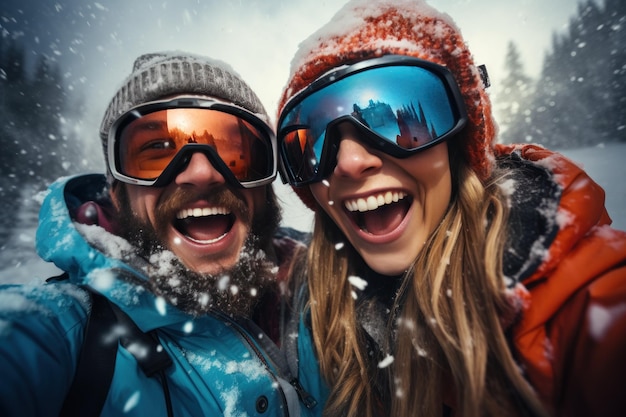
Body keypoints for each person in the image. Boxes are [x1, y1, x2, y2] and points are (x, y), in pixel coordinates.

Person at [275, 1, 626, 416]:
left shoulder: (584, 306)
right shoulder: (323, 317)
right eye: (312, 143)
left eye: (391, 121)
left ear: (458, 145)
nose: (350, 161)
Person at [0, 51, 316, 417]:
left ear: (265, 184)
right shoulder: (71, 334)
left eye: (233, 151)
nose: (201, 173)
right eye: (158, 150)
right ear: (117, 193)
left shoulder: (330, 286)